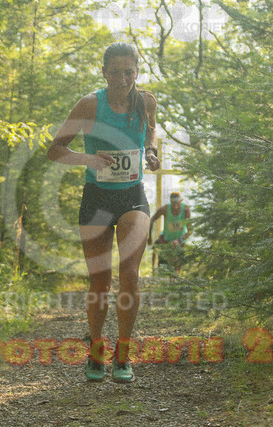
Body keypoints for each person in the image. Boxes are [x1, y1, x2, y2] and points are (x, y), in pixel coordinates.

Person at [47, 42, 160, 383]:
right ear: (104, 72)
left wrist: (151, 152)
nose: (122, 79)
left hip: (132, 197)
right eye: (115, 72)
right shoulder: (89, 104)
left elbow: (151, 132)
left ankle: (123, 354)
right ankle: (96, 349)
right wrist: (89, 160)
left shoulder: (146, 101)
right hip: (96, 198)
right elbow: (55, 149)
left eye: (129, 72)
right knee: (99, 280)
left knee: (130, 275)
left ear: (136, 72)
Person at [148, 192, 191, 271]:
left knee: (176, 260)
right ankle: (154, 271)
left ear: (181, 201)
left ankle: (176, 274)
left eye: (177, 203)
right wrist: (149, 237)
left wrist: (179, 240)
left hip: (180, 239)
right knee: (156, 248)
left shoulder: (185, 210)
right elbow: (151, 220)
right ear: (170, 201)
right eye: (173, 203)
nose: (175, 206)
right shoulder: (164, 209)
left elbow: (190, 231)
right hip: (166, 237)